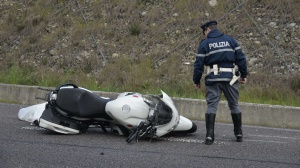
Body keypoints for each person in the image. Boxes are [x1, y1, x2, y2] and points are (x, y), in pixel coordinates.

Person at [193, 20, 248, 145]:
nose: (204, 35)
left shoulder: (205, 44)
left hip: (213, 79)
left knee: (212, 106)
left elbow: (198, 64)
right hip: (230, 79)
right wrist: (244, 75)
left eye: (204, 32)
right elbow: (241, 59)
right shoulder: (231, 40)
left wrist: (196, 80)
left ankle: (209, 136)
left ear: (208, 29)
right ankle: (238, 134)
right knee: (234, 105)